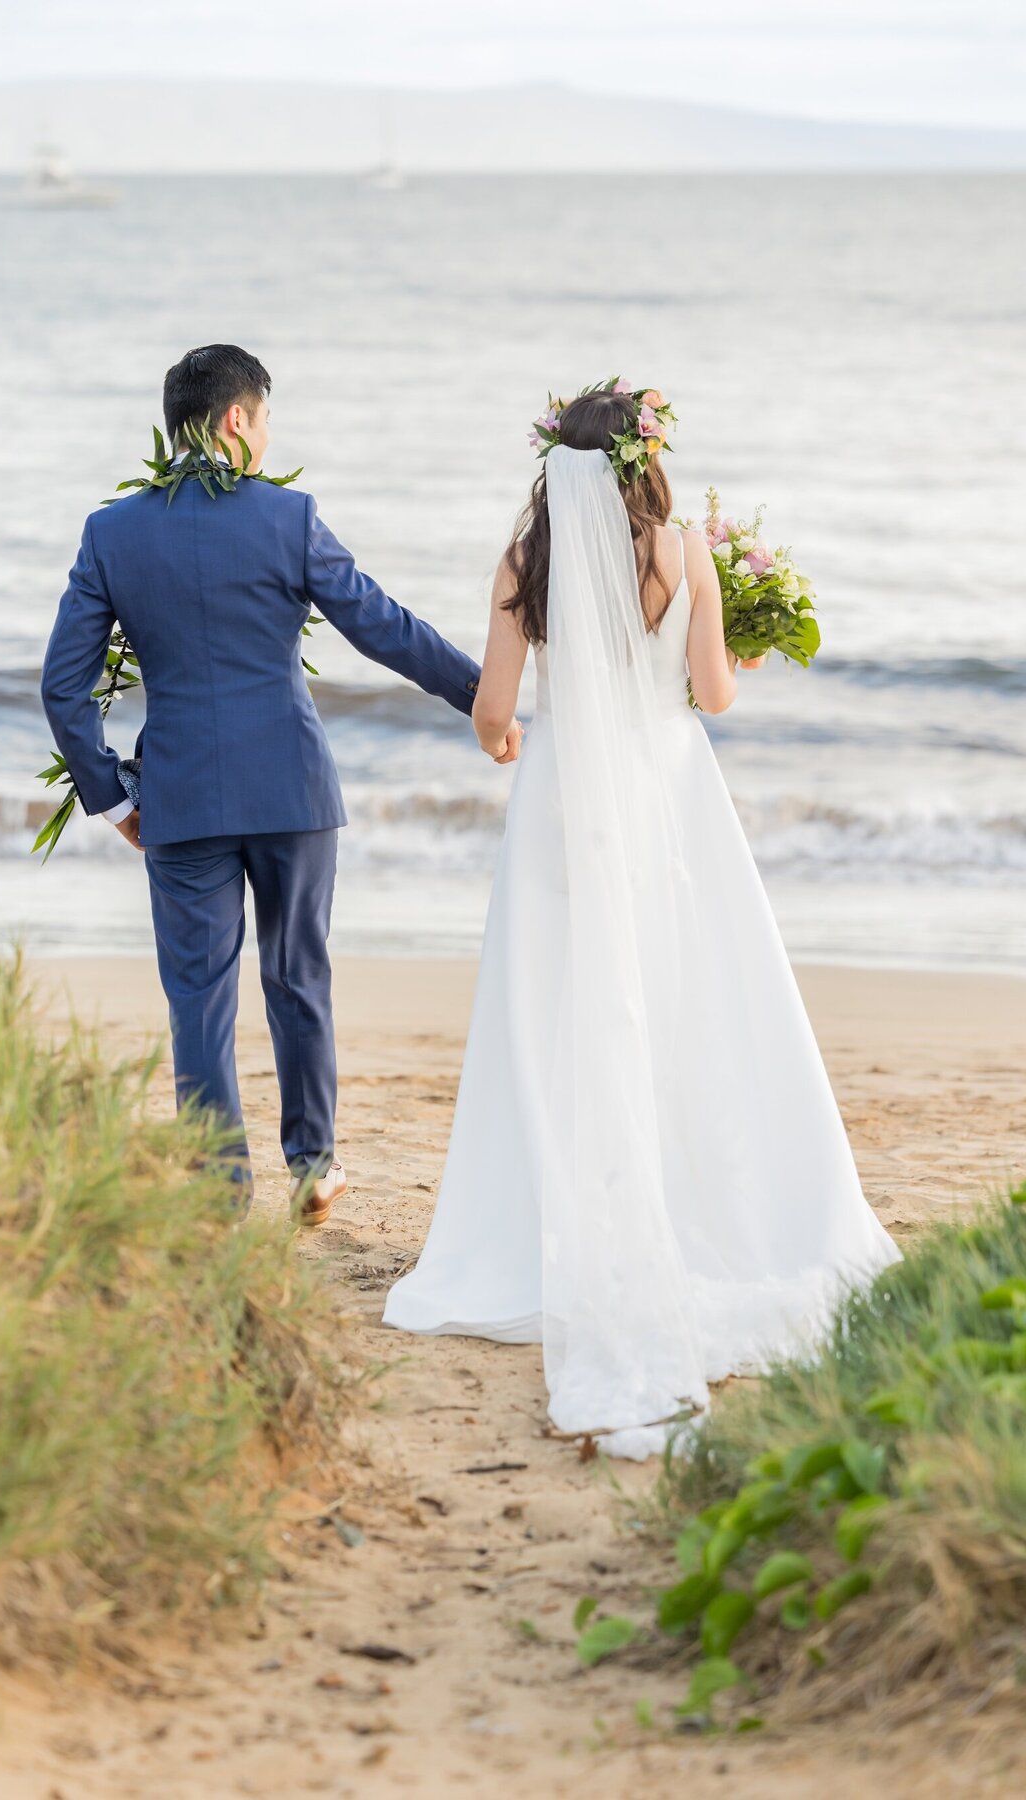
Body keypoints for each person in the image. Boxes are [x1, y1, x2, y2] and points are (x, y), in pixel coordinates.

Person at [383, 382, 899, 1458]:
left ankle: (532, 1230)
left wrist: (505, 744)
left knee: (556, 1005)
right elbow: (712, 699)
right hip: (669, 794)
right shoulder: (683, 551)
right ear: (642, 461)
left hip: (568, 801)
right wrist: (734, 661)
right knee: (690, 994)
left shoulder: (528, 561)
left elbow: (493, 708)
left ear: (557, 467)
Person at [41, 344, 496, 1223]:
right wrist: (483, 699)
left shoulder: (113, 533)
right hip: (292, 790)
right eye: (265, 420)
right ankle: (313, 1164)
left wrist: (115, 795)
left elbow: (64, 687)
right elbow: (380, 626)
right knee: (298, 973)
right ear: (236, 420)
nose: (265, 438)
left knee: (198, 992)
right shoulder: (288, 517)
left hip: (178, 802)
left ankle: (218, 1185)